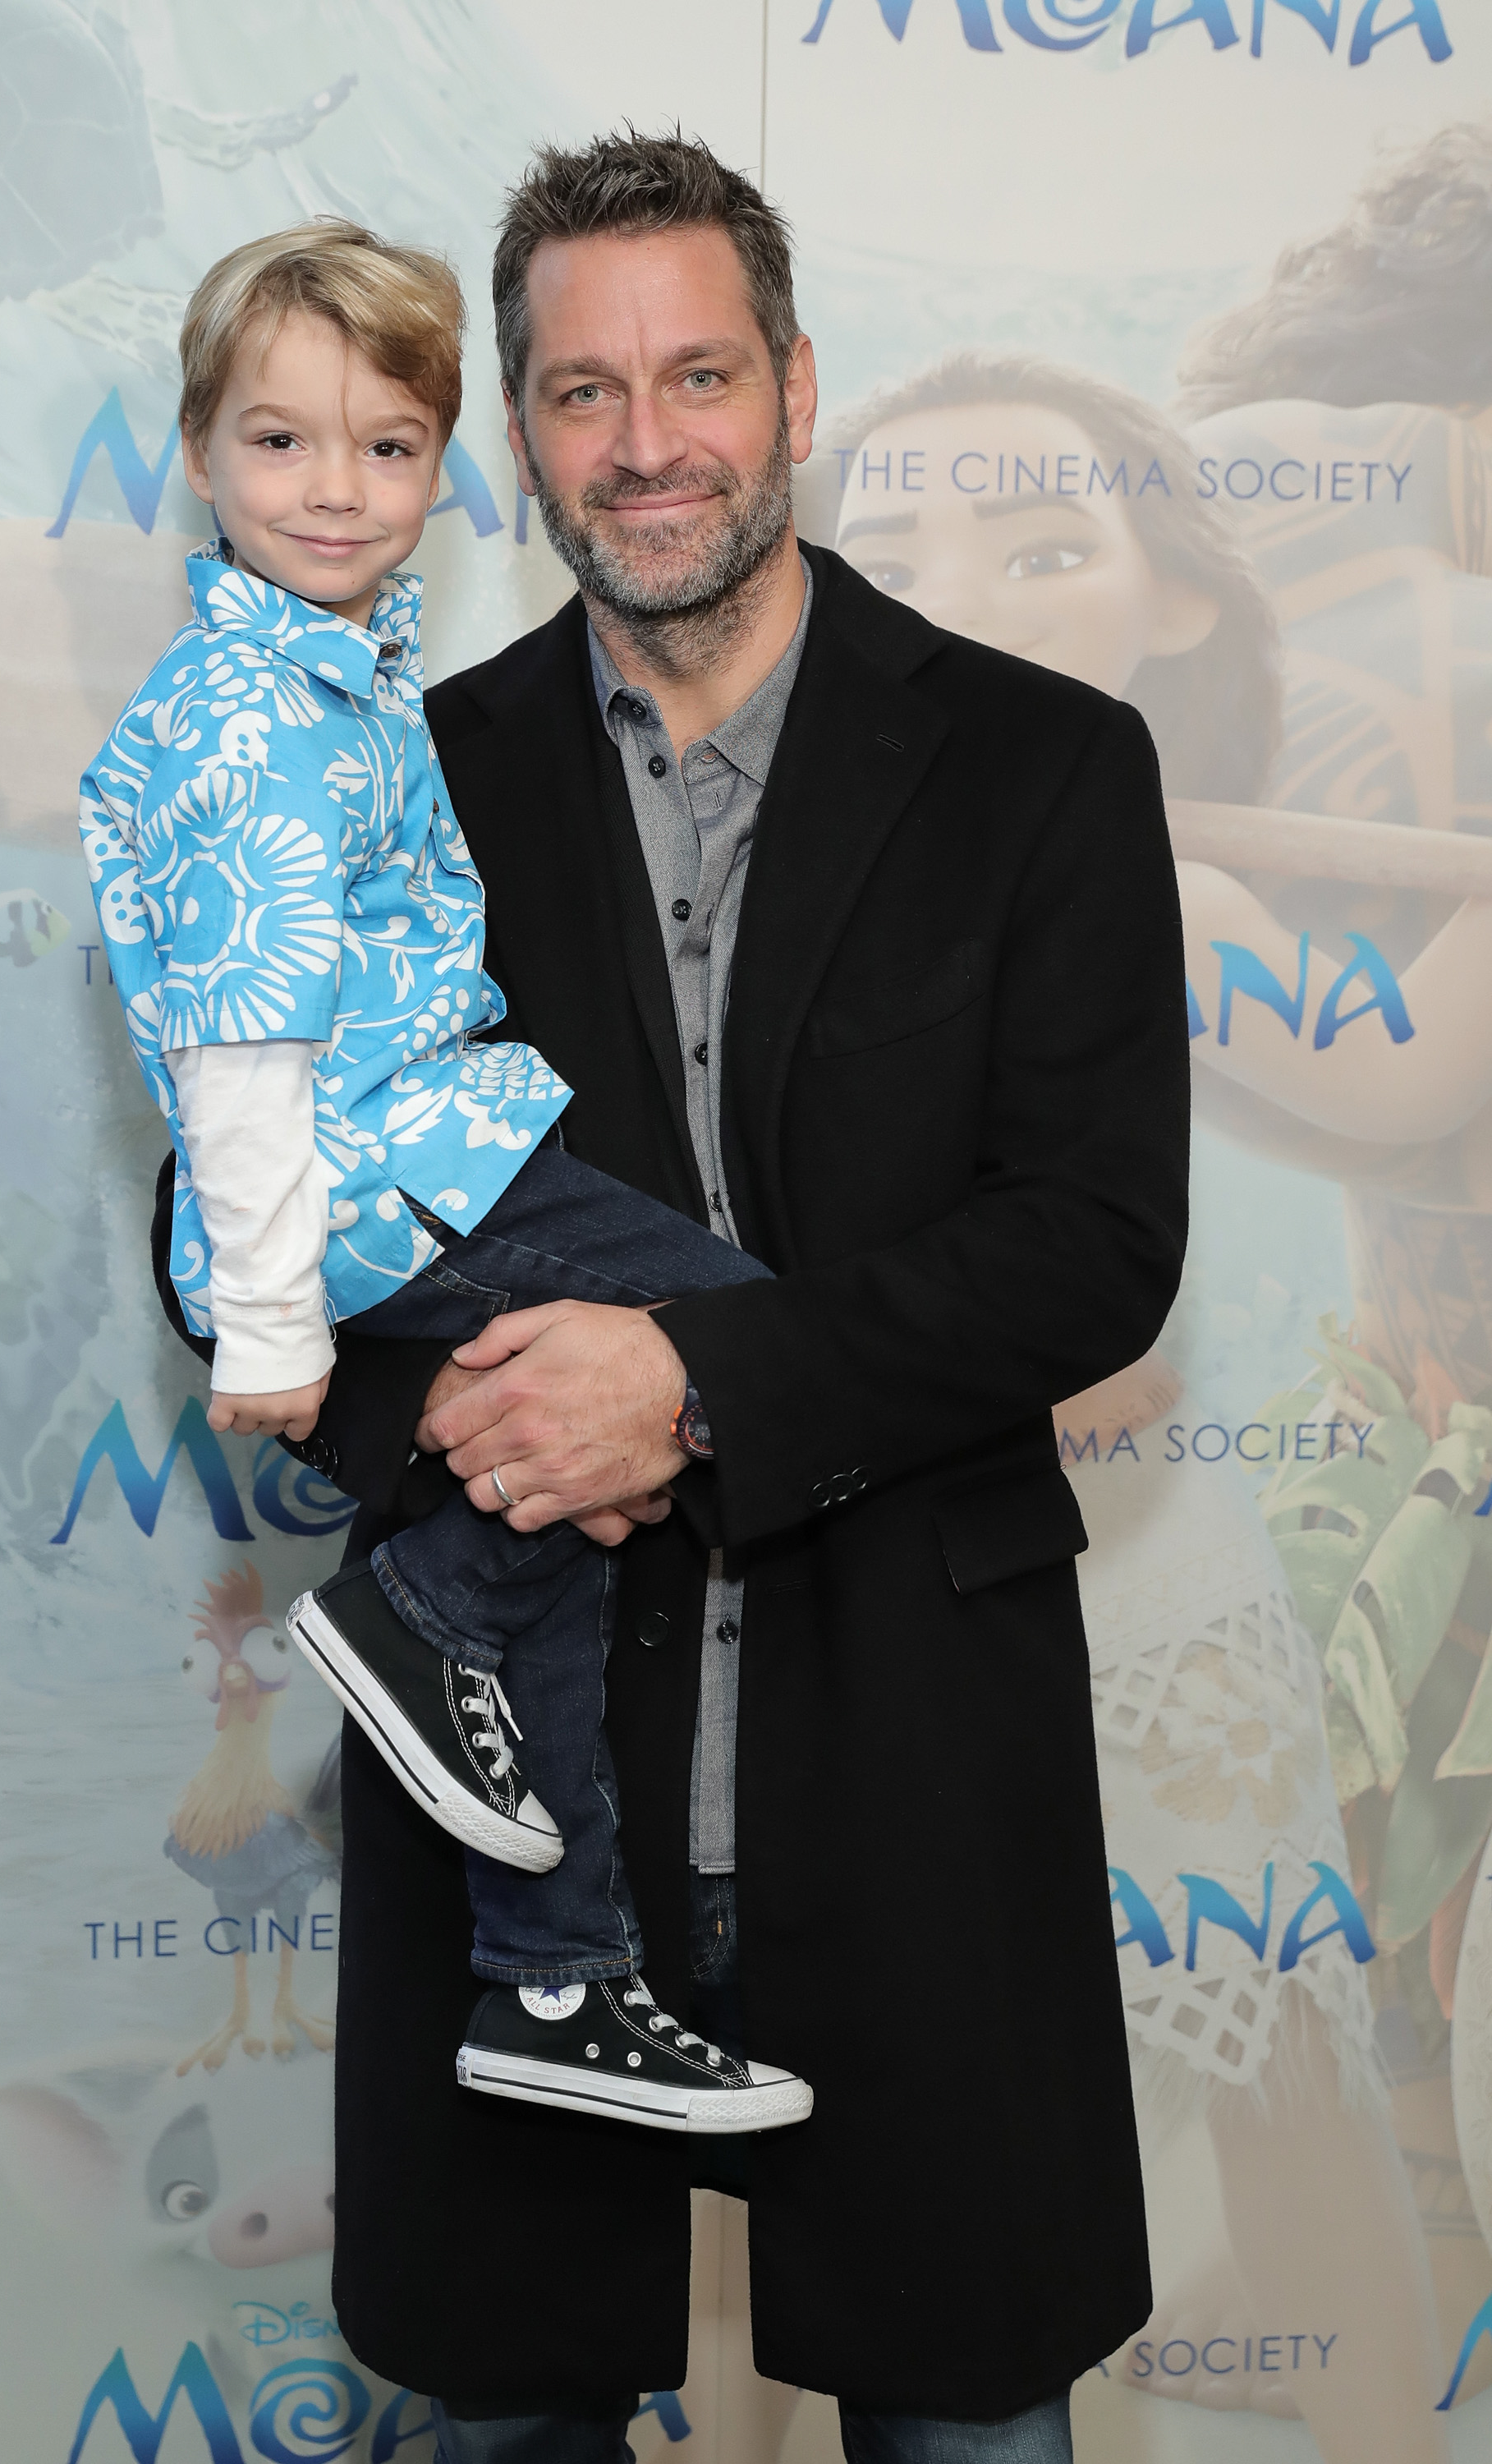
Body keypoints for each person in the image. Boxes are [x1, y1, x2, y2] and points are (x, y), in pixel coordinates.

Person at [151, 136, 1189, 2462]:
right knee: (498, 2416)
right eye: (585, 391)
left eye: (698, 372)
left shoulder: (1044, 769)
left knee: (963, 2416)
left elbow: (1096, 1238)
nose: (648, 443)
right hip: (524, 1824)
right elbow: (214, 1226)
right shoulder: (377, 776)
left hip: (917, 1768)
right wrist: (485, 1416)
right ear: (521, 437)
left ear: (795, 384)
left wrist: (690, 1386)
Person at [80, 216, 812, 2134]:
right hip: (385, 1184)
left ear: (440, 461)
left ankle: (556, 1974)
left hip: (419, 1159)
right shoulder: (248, 718)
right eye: (280, 443)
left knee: (573, 1506)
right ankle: (422, 1617)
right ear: (200, 450)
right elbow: (239, 1046)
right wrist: (268, 1321)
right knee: (729, 1333)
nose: (337, 492)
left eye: (386, 448)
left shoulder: (335, 679)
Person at [831, 352, 1459, 2462]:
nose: (956, 591)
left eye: (1034, 544)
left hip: (1129, 1585)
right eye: (889, 545)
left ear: (1167, 597)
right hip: (845, 1588)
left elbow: (1389, 1080)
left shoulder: (1169, 885)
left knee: (1281, 2108)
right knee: (817, 2161)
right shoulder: (773, 851)